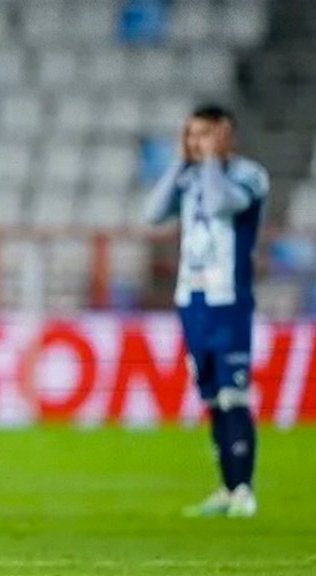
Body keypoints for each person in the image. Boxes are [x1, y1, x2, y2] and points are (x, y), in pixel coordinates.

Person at [145, 104, 269, 518]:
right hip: (192, 299)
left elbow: (218, 205)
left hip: (227, 298)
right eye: (192, 134)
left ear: (224, 134)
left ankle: (244, 490)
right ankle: (227, 487)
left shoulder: (248, 175)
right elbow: (152, 213)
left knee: (234, 395)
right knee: (213, 397)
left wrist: (213, 161)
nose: (197, 142)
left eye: (205, 134)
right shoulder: (189, 175)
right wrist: (179, 163)